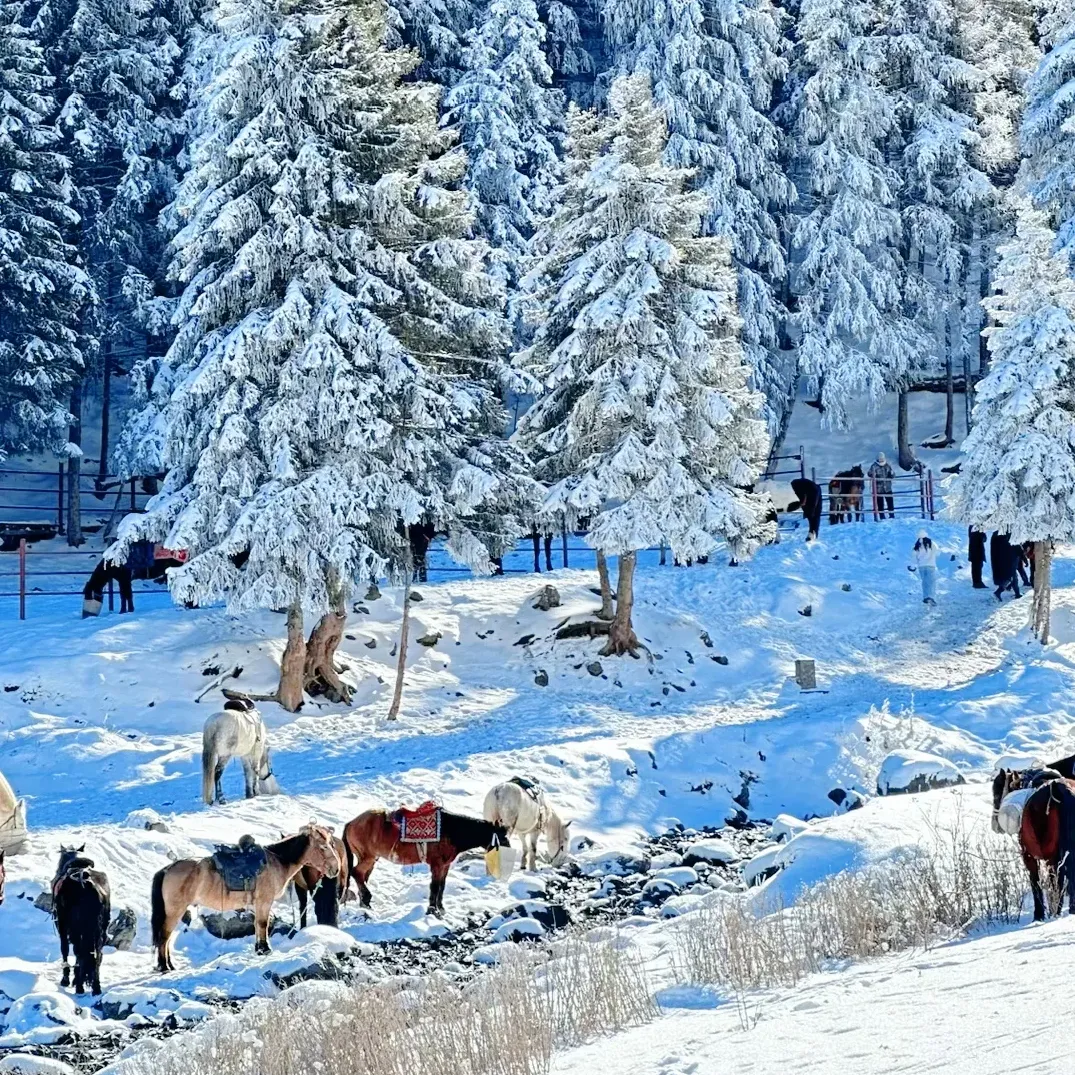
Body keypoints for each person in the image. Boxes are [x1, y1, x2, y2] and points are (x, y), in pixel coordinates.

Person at [990, 531, 1021, 601]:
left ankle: (1017, 593)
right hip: (1010, 559)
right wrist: (1023, 556)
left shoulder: (997, 534)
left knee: (1013, 577)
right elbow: (1017, 547)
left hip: (1004, 560)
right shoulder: (1009, 534)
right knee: (1011, 577)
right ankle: (998, 592)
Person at [911, 529, 938, 605]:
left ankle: (925, 597)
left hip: (921, 566)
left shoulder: (917, 545)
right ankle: (931, 597)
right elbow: (937, 551)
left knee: (924, 582)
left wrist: (913, 566)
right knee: (931, 582)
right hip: (931, 565)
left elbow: (914, 556)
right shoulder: (931, 543)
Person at [790, 477, 823, 541]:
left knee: (812, 513)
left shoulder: (795, 488)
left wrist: (802, 505)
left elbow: (803, 501)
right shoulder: (795, 486)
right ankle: (813, 533)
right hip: (812, 488)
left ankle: (812, 533)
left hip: (811, 490)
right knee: (814, 513)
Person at [868, 453, 895, 518]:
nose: (881, 461)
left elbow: (892, 475)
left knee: (890, 502)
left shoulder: (887, 465)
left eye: (882, 459)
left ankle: (891, 515)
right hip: (878, 488)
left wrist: (892, 474)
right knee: (880, 503)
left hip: (887, 488)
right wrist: (872, 474)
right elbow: (869, 473)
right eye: (880, 459)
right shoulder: (874, 466)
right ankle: (882, 516)